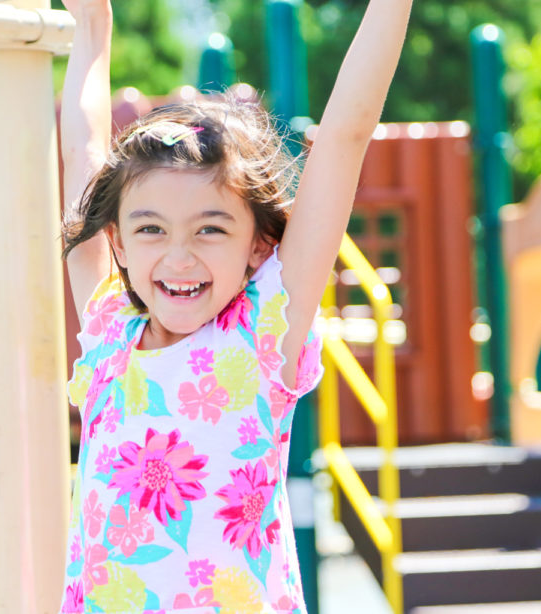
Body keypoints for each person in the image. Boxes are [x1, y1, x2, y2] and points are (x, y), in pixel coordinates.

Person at [57, 0, 411, 611]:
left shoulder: (261, 331)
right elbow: (81, 155)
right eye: (151, 230)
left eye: (210, 230)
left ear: (259, 246)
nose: (179, 256)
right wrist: (92, 25)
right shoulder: (110, 328)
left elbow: (346, 137)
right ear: (116, 240)